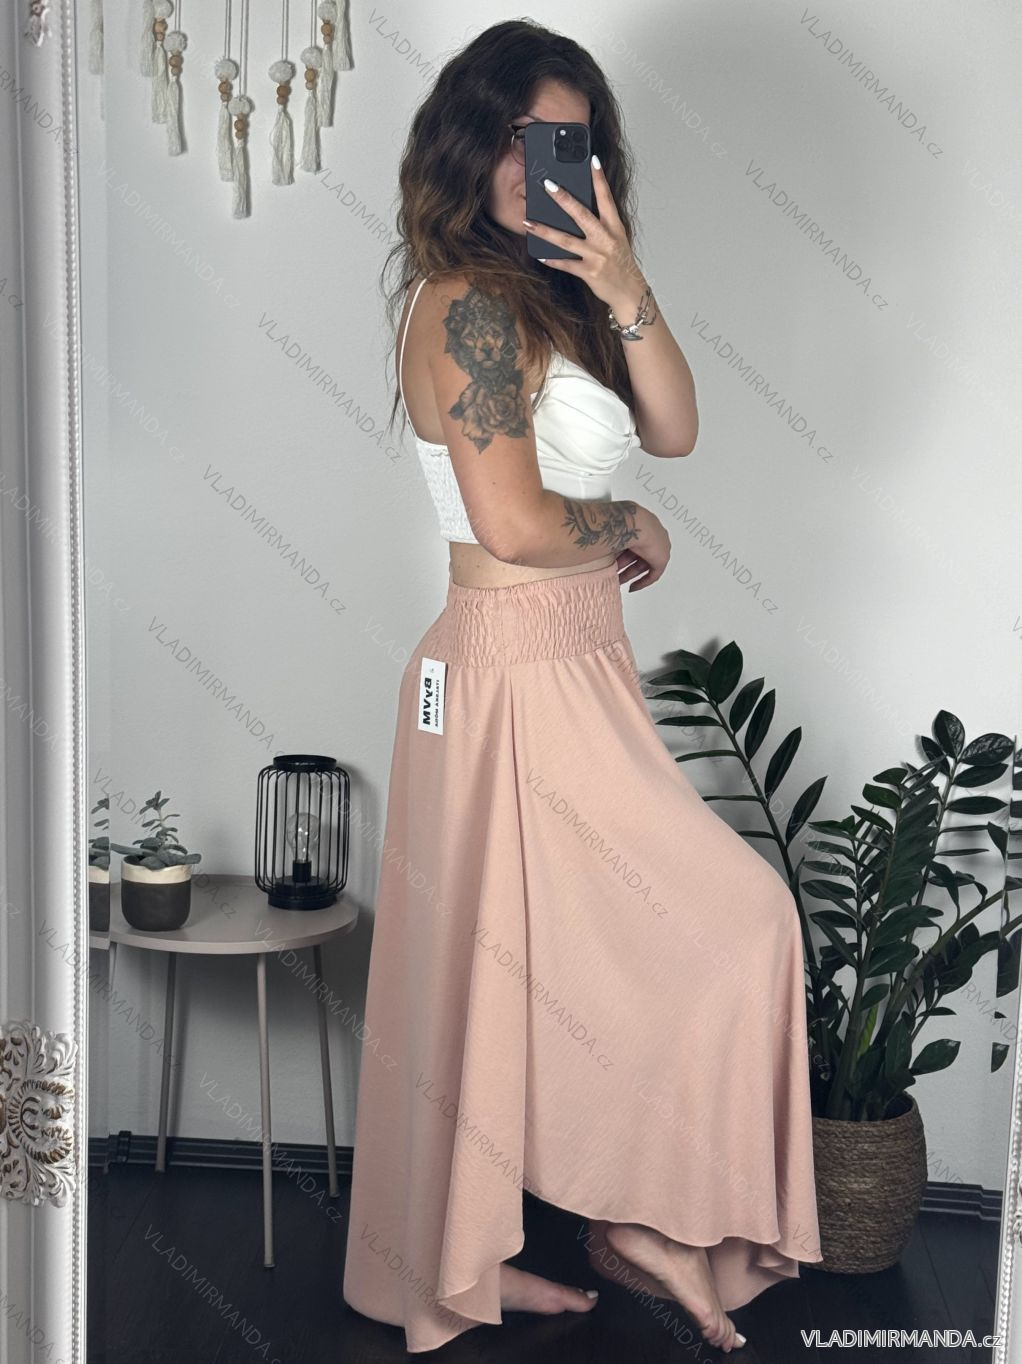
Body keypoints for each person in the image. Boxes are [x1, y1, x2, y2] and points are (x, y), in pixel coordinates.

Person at [342, 17, 822, 1356]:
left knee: (628, 949)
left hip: (577, 662)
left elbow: (675, 426)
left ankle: (626, 1220)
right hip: (504, 669)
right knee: (511, 967)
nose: (532, 163)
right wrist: (631, 524)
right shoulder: (463, 304)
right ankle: (469, 1263)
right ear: (465, 141)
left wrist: (624, 282)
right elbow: (510, 522)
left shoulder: (554, 298)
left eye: (563, 140)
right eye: (512, 135)